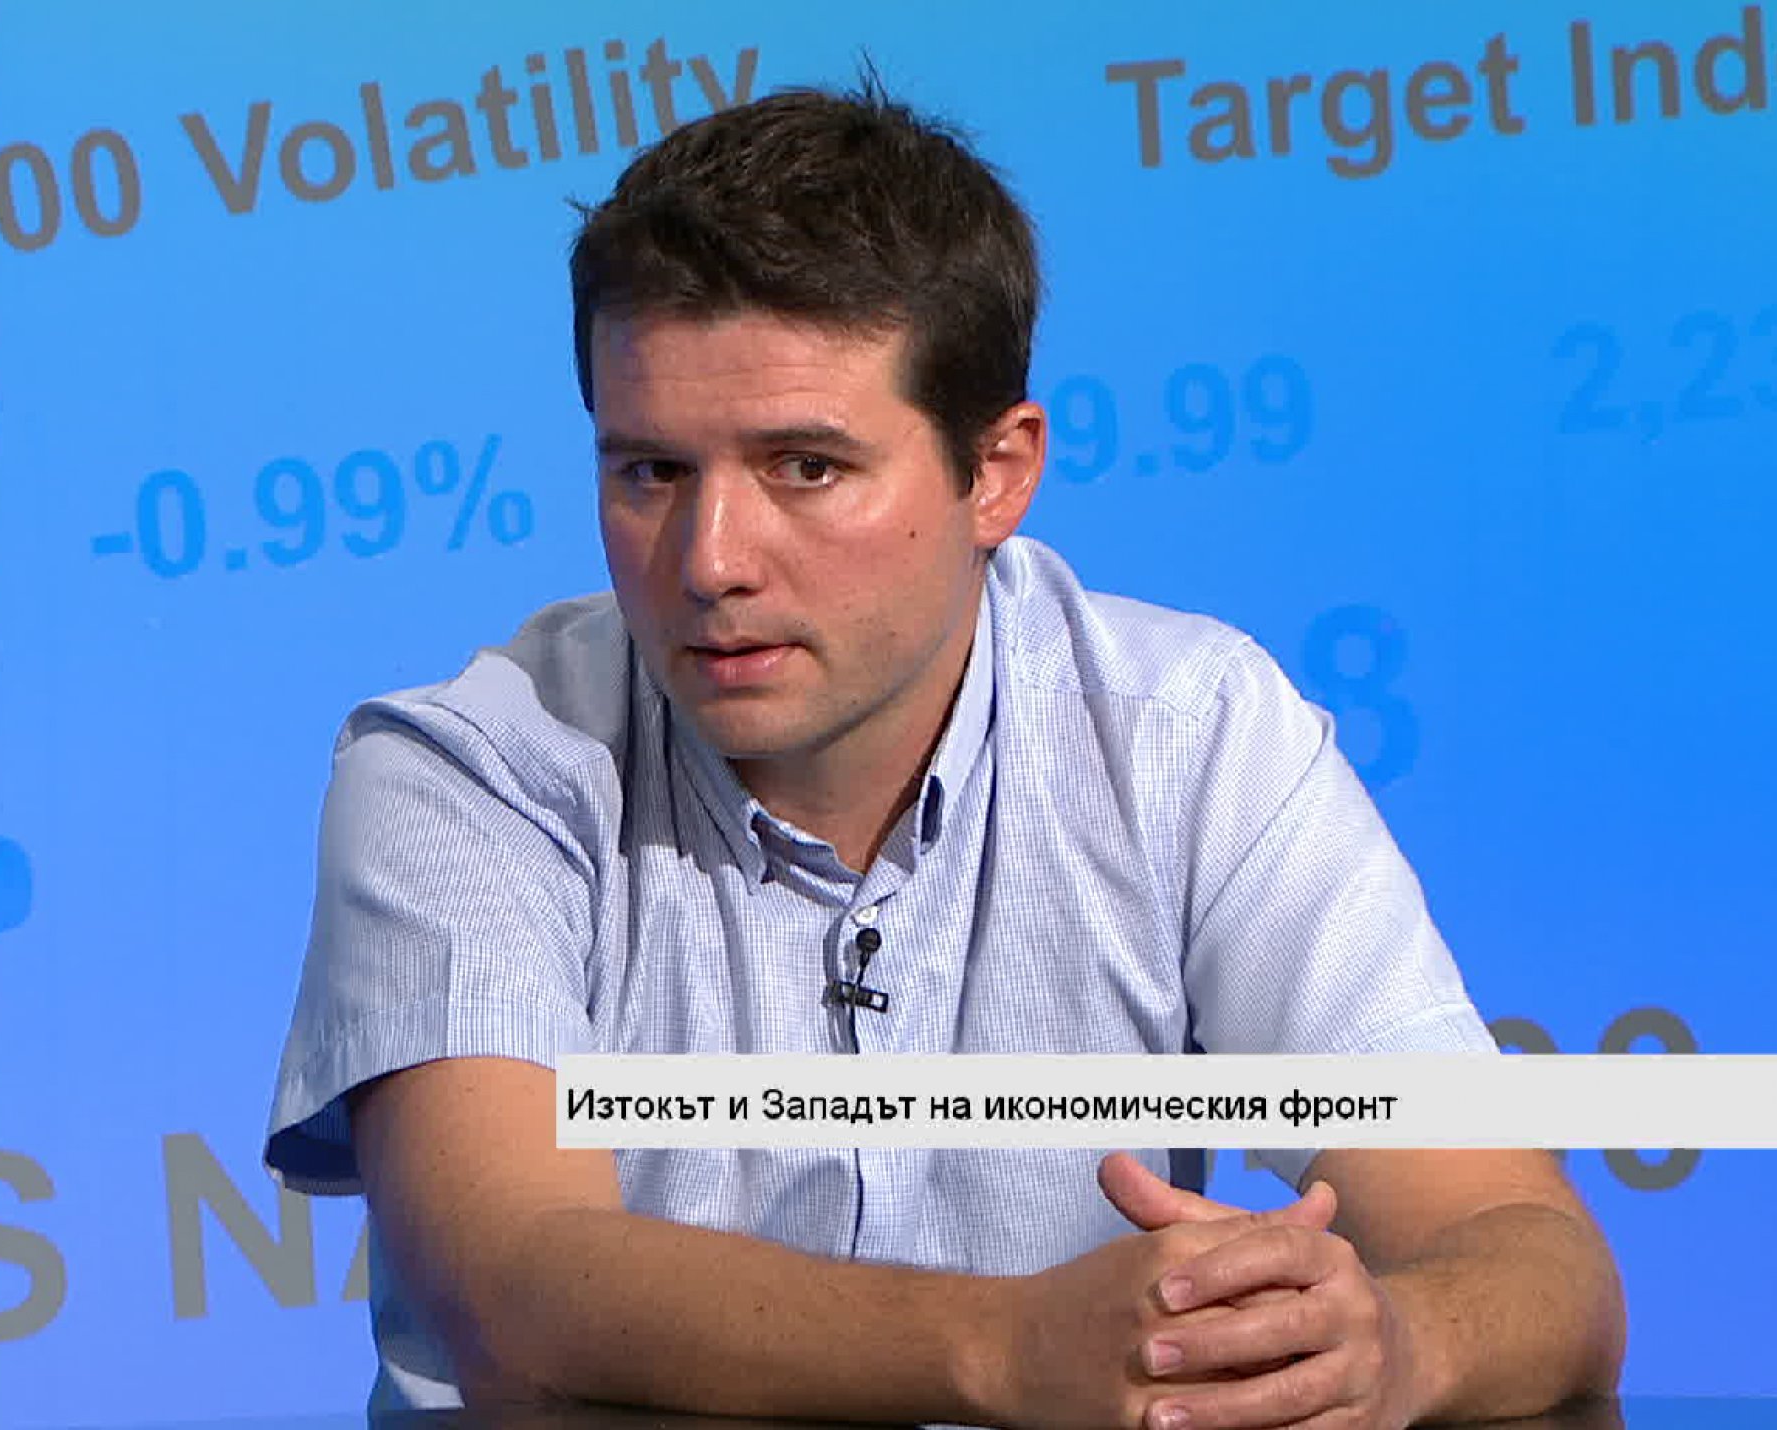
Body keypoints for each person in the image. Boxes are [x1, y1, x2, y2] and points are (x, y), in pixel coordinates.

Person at [265, 80, 1624, 1428]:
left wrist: (1386, 1349)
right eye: (650, 472)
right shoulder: (465, 772)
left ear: (1000, 473)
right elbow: (523, 1301)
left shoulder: (1190, 731)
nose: (711, 560)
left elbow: (1532, 1255)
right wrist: (1011, 1348)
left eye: (805, 467)